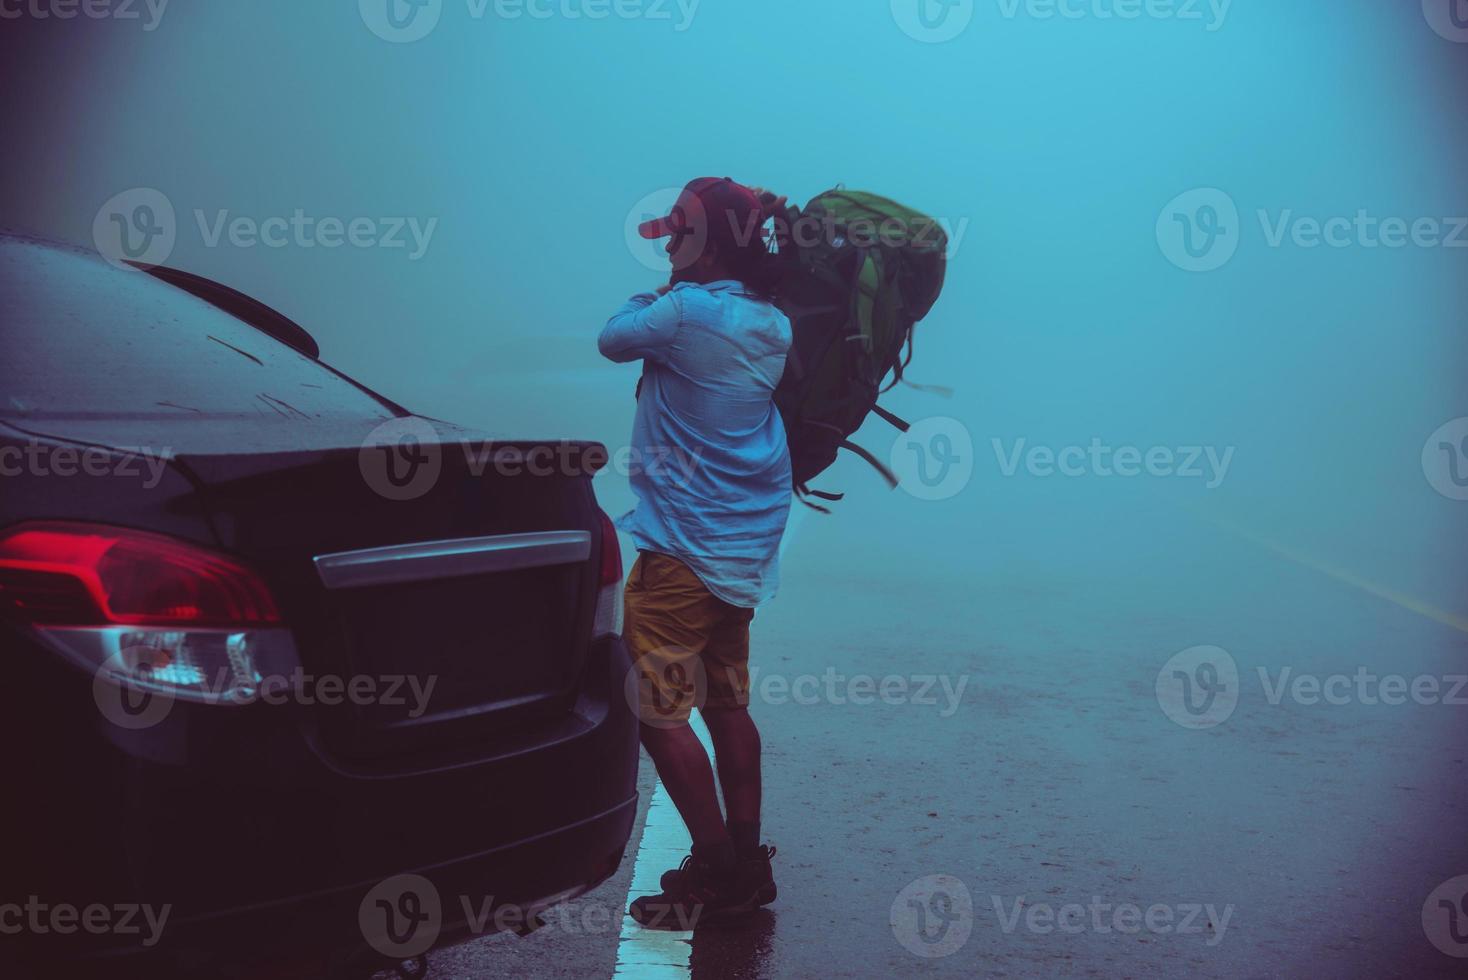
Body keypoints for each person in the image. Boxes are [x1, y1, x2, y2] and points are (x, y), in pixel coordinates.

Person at [599, 177, 793, 929]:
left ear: (703, 241)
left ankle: (714, 867)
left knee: (653, 709)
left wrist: (662, 289)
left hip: (680, 551)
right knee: (727, 703)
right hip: (740, 554)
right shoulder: (771, 322)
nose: (669, 243)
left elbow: (614, 338)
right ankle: (746, 859)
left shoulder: (684, 310)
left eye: (679, 231)